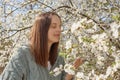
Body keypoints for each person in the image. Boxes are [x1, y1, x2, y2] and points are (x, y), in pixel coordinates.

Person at [0, 12, 82, 80]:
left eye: (60, 26)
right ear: (42, 29)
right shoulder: (23, 54)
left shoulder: (59, 59)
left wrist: (69, 75)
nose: (59, 29)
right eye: (54, 26)